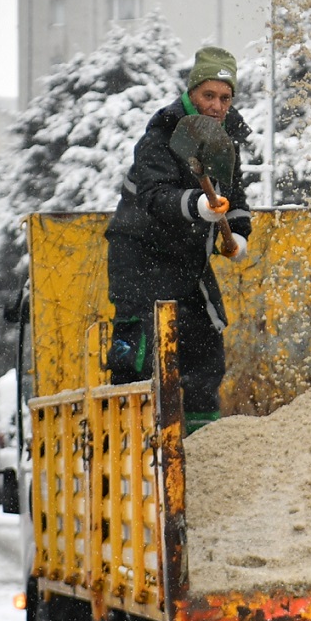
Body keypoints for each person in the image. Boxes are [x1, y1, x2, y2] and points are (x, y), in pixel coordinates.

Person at [103, 45, 254, 428]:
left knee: (205, 351)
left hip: (189, 260)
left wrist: (238, 233)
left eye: (225, 97)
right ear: (191, 92)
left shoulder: (229, 132)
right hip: (140, 257)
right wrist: (199, 206)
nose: (217, 106)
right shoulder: (163, 132)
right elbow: (154, 196)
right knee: (137, 356)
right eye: (208, 95)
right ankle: (128, 440)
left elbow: (234, 193)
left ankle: (202, 443)